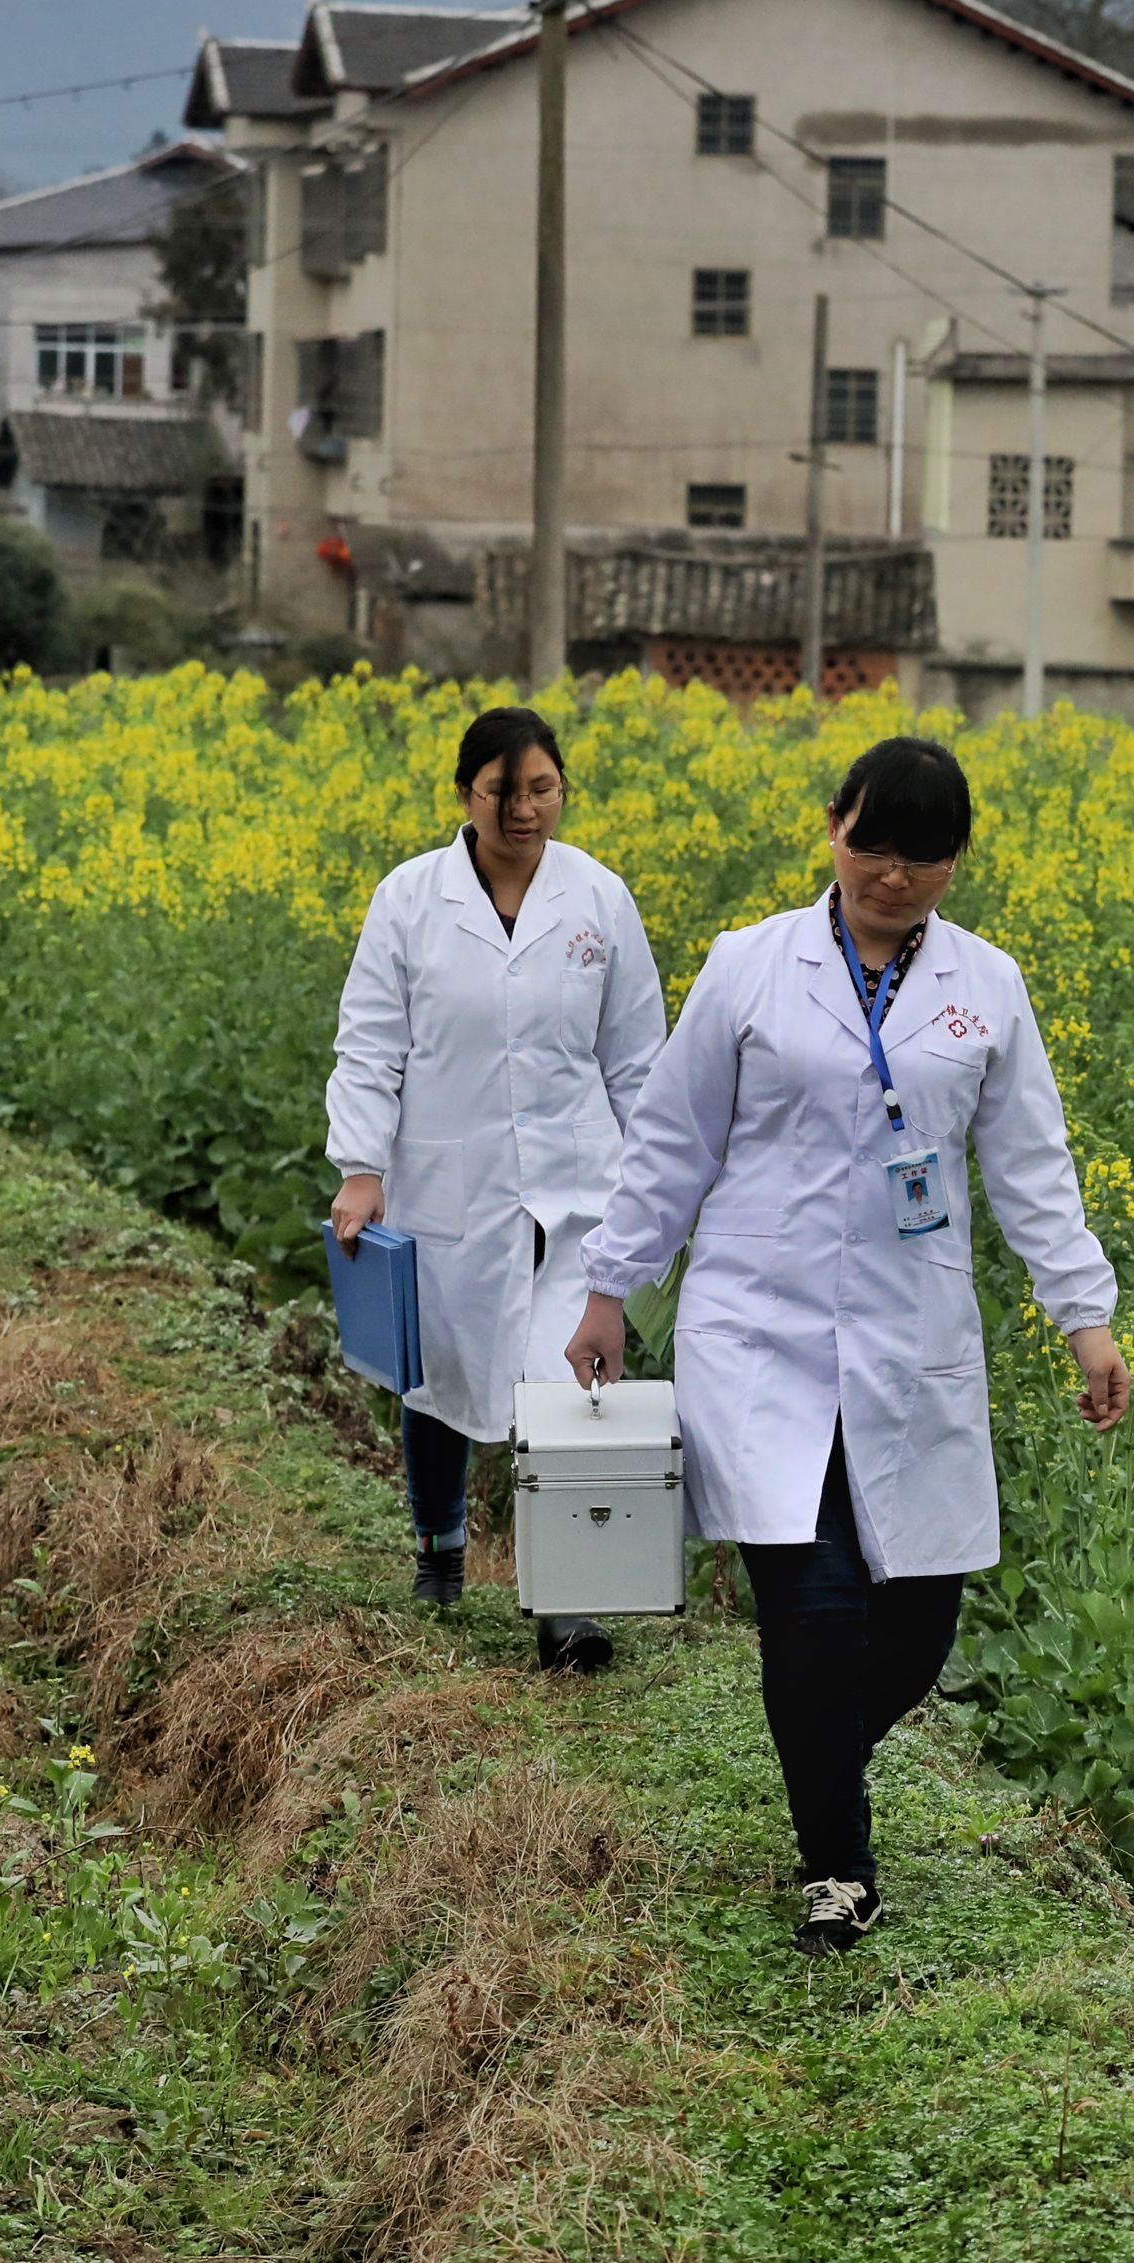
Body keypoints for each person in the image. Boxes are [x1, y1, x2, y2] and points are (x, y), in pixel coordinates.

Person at [567, 734, 1128, 1954]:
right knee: (813, 1611)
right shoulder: (750, 965)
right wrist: (610, 1288)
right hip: (754, 1328)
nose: (894, 874)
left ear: (957, 860)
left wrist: (1084, 1318)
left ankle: (815, 1752)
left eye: (924, 854)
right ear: (832, 827)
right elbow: (673, 1140)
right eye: (872, 843)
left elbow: (1032, 1168)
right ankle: (839, 1868)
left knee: (917, 1626)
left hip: (908, 1333)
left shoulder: (989, 986)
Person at [326, 704, 666, 1672]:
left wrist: (660, 1183)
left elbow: (638, 1058)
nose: (524, 809)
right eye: (502, 792)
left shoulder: (599, 899)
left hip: (576, 1184)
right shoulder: (408, 898)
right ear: (466, 794)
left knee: (568, 1379)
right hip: (447, 1177)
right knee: (439, 1367)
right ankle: (439, 1545)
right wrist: (362, 1169)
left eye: (542, 789)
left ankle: (569, 1603)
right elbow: (371, 1044)